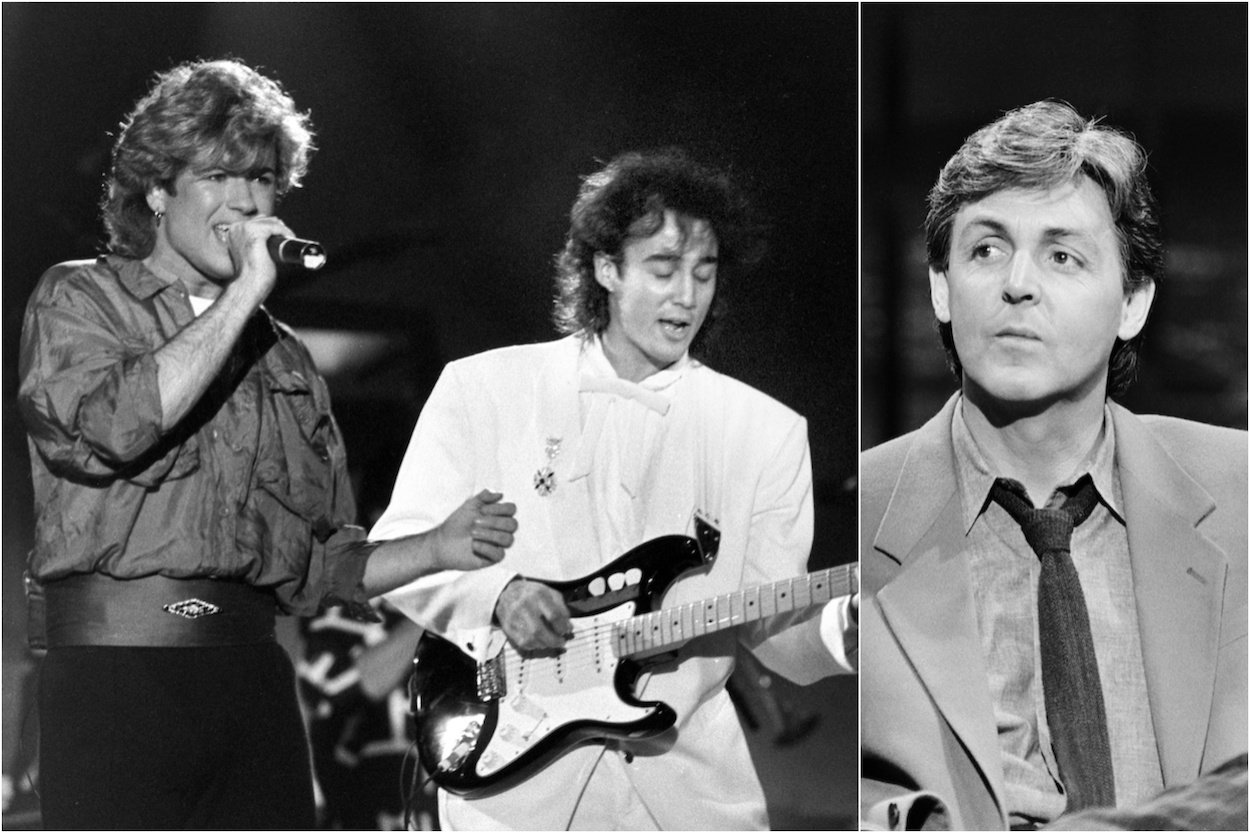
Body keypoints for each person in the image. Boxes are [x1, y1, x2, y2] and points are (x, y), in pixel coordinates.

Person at [16, 58, 517, 830]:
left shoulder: (283, 357)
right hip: (115, 680)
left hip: (250, 680)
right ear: (157, 189)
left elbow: (322, 566)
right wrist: (246, 290)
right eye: (221, 175)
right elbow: (110, 429)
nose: (248, 200)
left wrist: (436, 547)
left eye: (263, 178)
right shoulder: (80, 297)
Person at [369, 149, 855, 830]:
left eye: (704, 273)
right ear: (605, 267)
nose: (687, 296)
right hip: (511, 793)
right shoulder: (482, 390)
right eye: (663, 269)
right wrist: (496, 595)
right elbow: (398, 555)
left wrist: (843, 632)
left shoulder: (765, 431)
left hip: (693, 802)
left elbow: (772, 630)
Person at [859, 100, 1247, 831]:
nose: (1017, 283)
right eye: (986, 250)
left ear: (1133, 301)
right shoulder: (856, 524)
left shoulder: (1241, 494)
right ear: (942, 288)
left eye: (1062, 254)